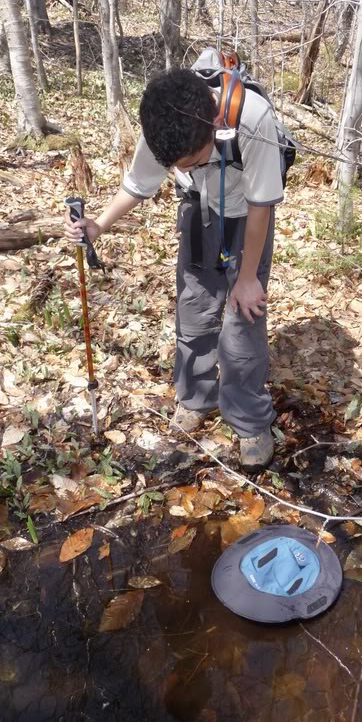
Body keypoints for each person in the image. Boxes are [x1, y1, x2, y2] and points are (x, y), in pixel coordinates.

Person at [64, 59, 284, 469]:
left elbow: (261, 204)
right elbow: (138, 184)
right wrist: (99, 226)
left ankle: (250, 421)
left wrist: (248, 276)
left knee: (242, 321)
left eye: (194, 160)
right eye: (178, 166)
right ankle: (196, 397)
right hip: (198, 209)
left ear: (215, 122)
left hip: (247, 216)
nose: (185, 168)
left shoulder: (252, 120)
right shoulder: (163, 124)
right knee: (195, 310)